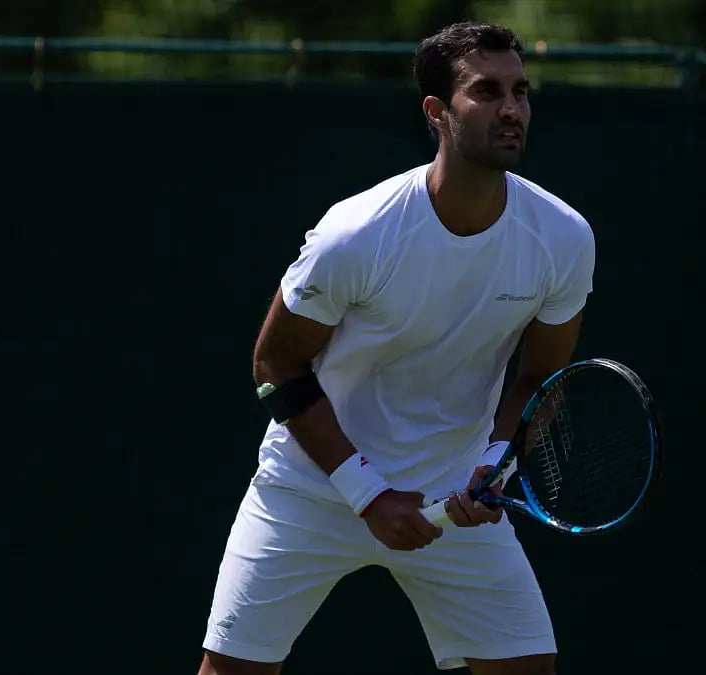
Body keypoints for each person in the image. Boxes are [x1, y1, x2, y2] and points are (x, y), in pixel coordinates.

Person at [198, 21, 596, 675]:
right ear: (437, 112)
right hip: (313, 488)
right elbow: (276, 363)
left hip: (456, 494)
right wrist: (367, 493)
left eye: (521, 91)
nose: (512, 108)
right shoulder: (357, 233)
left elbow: (541, 375)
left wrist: (496, 462)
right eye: (487, 91)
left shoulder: (563, 237)